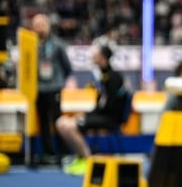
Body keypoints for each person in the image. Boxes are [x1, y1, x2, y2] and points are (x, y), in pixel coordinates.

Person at [56, 44, 128, 176]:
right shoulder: (102, 77)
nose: (92, 56)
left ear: (102, 58)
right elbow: (100, 104)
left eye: (95, 54)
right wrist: (86, 114)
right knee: (61, 123)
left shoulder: (114, 78)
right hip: (100, 115)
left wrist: (86, 117)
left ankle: (87, 158)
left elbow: (109, 107)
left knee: (70, 126)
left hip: (109, 119)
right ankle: (80, 156)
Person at [32, 13, 73, 165]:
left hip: (54, 88)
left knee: (57, 121)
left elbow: (67, 67)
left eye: (42, 24)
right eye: (36, 25)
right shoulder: (32, 45)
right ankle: (47, 153)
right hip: (38, 89)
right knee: (42, 122)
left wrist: (59, 81)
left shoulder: (57, 44)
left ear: (48, 26)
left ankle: (62, 153)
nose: (39, 28)